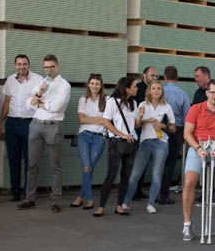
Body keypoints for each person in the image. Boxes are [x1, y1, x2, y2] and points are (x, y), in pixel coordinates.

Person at [181, 78, 215, 240]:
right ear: (207, 93)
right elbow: (187, 134)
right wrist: (198, 148)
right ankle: (187, 224)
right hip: (198, 147)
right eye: (212, 92)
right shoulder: (196, 109)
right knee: (189, 182)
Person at [21, 54, 71, 212]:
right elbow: (29, 104)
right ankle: (30, 198)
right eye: (46, 67)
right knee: (32, 164)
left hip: (53, 126)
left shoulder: (64, 85)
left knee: (55, 165)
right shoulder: (40, 83)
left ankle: (55, 200)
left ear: (58, 66)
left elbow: (56, 107)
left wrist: (39, 103)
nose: (48, 70)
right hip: (36, 124)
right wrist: (39, 93)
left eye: (51, 67)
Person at [124, 78, 176, 214]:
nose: (156, 91)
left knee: (156, 175)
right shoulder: (142, 105)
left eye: (159, 88)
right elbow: (136, 125)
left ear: (162, 91)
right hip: (145, 142)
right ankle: (126, 202)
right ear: (149, 91)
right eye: (153, 88)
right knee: (135, 174)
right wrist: (143, 118)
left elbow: (173, 128)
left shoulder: (167, 107)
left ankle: (151, 204)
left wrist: (162, 125)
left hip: (161, 143)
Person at [0, 54, 42, 201]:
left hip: (30, 123)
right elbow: (7, 102)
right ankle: (15, 192)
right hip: (12, 123)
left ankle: (28, 192)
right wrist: (0, 122)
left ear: (29, 65)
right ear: (15, 66)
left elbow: (42, 100)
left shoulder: (38, 80)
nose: (22, 67)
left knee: (30, 159)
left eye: (24, 64)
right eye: (19, 64)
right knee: (13, 158)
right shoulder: (10, 80)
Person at [97, 75, 140, 216]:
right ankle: (101, 206)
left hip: (131, 142)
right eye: (134, 86)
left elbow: (135, 125)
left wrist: (140, 116)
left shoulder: (134, 103)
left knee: (126, 175)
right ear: (127, 88)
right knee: (111, 175)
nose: (137, 88)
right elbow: (106, 122)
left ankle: (119, 206)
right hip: (116, 142)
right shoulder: (113, 101)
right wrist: (122, 134)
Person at [73, 73, 108, 210]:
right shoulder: (83, 100)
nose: (94, 86)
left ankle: (80, 197)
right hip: (84, 136)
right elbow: (82, 120)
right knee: (87, 167)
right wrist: (100, 119)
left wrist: (91, 120)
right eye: (92, 83)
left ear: (101, 86)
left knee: (88, 168)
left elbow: (108, 121)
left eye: (97, 84)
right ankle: (90, 200)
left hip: (99, 137)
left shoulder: (107, 100)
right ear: (88, 84)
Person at [159, 66, 189, 205]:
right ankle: (164, 195)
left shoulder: (159, 92)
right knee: (170, 163)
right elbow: (186, 116)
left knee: (158, 162)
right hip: (176, 130)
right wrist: (184, 135)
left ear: (165, 77)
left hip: (159, 129)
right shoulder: (183, 94)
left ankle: (154, 193)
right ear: (177, 78)